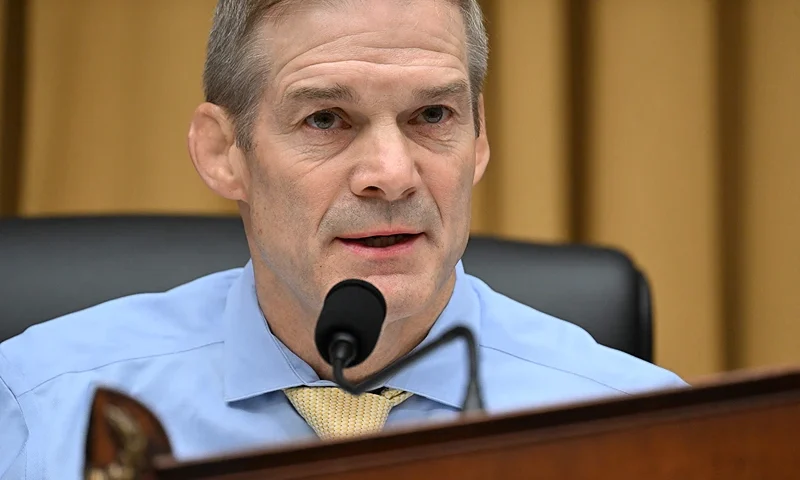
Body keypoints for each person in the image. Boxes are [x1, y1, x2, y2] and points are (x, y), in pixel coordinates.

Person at [0, 0, 687, 478]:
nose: (390, 175)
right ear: (223, 152)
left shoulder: (648, 430)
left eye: (432, 115)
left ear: (479, 140)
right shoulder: (38, 403)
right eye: (326, 119)